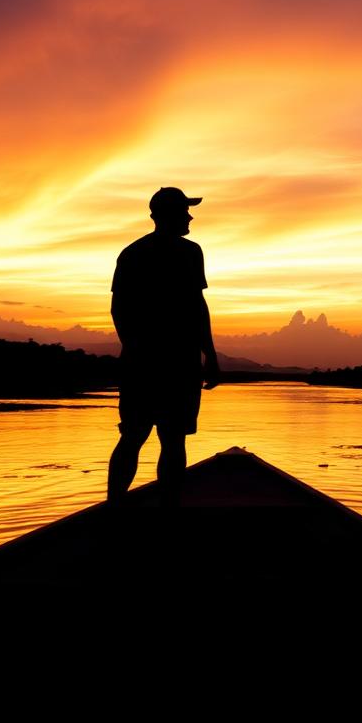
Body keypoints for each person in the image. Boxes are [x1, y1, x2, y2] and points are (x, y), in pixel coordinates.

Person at [106, 186, 220, 507]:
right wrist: (138, 351)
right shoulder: (137, 254)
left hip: (174, 363)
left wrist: (208, 356)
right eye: (184, 211)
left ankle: (148, 509)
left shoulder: (183, 252)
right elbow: (121, 309)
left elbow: (197, 307)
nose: (190, 216)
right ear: (164, 215)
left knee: (160, 438)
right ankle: (129, 509)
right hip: (160, 364)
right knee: (145, 438)